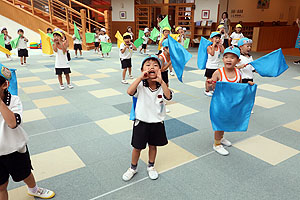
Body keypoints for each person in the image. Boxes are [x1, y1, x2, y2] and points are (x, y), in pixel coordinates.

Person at [0, 67, 55, 200]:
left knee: (25, 174)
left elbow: (13, 123)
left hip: (15, 149)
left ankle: (33, 189)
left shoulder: (14, 101)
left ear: (4, 85)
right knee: (1, 185)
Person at [122, 55, 173, 181]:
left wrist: (161, 81)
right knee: (137, 147)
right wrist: (140, 78)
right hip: (141, 122)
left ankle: (151, 166)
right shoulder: (140, 85)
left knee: (153, 146)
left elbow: (168, 96)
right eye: (148, 65)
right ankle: (132, 168)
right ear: (142, 70)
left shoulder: (162, 86)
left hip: (157, 122)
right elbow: (129, 92)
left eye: (155, 65)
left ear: (160, 70)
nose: (152, 67)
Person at [207, 47, 254, 156]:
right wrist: (210, 84)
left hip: (231, 103)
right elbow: (212, 89)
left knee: (227, 121)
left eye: (232, 57)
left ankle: (221, 138)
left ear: (238, 61)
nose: (229, 60)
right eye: (226, 57)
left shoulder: (238, 72)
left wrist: (248, 86)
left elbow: (239, 87)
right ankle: (217, 144)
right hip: (220, 104)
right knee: (220, 123)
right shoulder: (218, 72)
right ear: (222, 59)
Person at [204, 32, 224, 97]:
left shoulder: (218, 47)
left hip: (216, 66)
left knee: (215, 79)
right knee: (208, 79)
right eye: (216, 38)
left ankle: (212, 89)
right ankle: (207, 90)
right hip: (210, 66)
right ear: (212, 39)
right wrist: (214, 45)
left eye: (218, 38)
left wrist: (220, 45)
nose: (217, 39)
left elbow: (223, 52)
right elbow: (212, 54)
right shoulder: (209, 47)